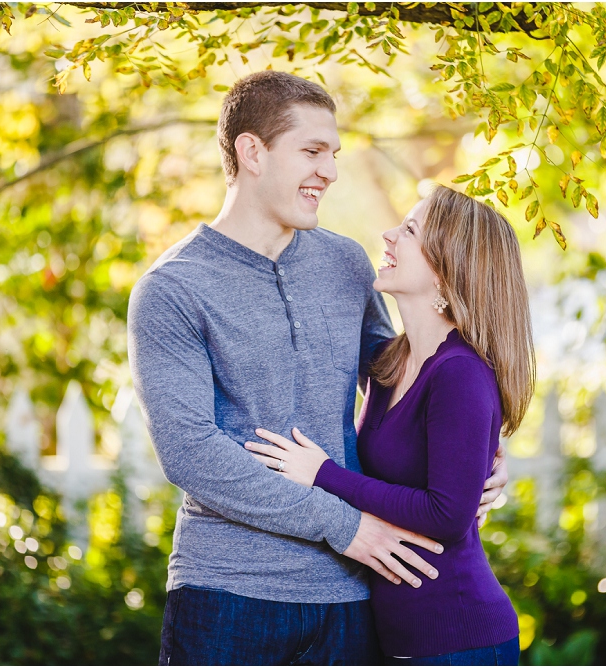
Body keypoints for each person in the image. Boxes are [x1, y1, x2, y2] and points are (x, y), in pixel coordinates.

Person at [127, 72, 508, 666]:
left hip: (352, 594)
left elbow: (403, 377)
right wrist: (344, 524)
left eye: (333, 154)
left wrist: (485, 451)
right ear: (252, 152)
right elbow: (191, 452)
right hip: (229, 592)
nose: (329, 171)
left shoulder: (346, 262)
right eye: (311, 151)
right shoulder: (172, 289)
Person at [244, 184, 534, 665]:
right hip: (399, 641)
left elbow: (447, 516)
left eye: (410, 229)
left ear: (446, 271)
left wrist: (322, 474)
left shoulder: (460, 372)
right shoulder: (389, 363)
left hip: (459, 640)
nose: (389, 235)